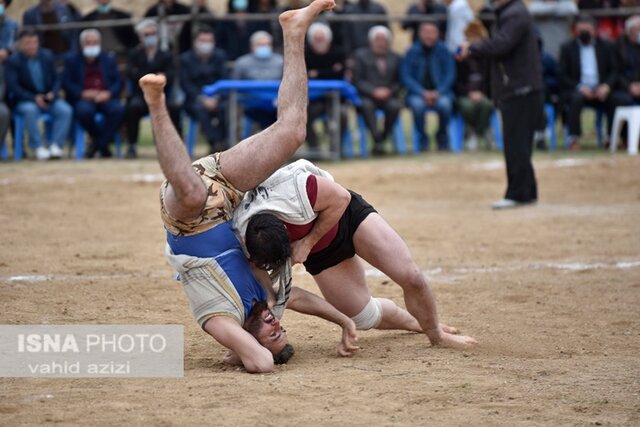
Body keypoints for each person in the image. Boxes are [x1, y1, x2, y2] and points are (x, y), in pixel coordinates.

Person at [141, 0, 340, 374]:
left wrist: (242, 349)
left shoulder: (222, 320)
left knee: (192, 193)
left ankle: (156, 103)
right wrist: (344, 322)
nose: (275, 326)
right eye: (281, 331)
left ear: (249, 342)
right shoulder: (267, 300)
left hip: (186, 219)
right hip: (228, 192)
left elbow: (262, 364)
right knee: (293, 131)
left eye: (271, 335)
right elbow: (298, 298)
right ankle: (293, 31)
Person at [233, 159, 479, 350]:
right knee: (363, 316)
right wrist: (269, 293)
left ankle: (436, 334)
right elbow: (261, 274)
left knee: (410, 275)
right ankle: (417, 323)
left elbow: (341, 198)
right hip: (322, 251)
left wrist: (306, 243)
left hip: (345, 218)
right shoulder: (243, 232)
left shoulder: (297, 191)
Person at [459, 0, 543, 209]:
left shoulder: (514, 13)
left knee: (516, 143)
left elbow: (501, 44)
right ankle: (527, 191)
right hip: (519, 88)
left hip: (520, 89)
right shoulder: (509, 12)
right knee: (519, 143)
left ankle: (517, 193)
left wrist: (472, 47)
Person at [558, 14, 626, 150]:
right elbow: (562, 74)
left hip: (601, 89)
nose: (583, 34)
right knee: (575, 99)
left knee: (617, 99)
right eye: (580, 30)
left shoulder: (606, 46)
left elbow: (614, 70)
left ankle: (611, 138)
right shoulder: (567, 48)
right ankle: (573, 139)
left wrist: (606, 86)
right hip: (579, 89)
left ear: (595, 31)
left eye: (587, 30)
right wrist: (580, 87)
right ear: (575, 31)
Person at [6, 29, 72, 160]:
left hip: (49, 98)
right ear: (20, 44)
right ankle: (37, 147)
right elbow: (13, 86)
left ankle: (56, 146)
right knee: (30, 110)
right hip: (26, 99)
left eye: (34, 42)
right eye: (28, 43)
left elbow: (57, 78)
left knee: (65, 110)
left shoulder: (47, 55)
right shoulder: (14, 61)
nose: (32, 46)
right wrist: (33, 98)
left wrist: (53, 93)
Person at [62, 28, 125, 159]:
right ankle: (102, 144)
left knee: (118, 110)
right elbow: (66, 83)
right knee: (84, 111)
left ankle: (97, 144)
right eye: (88, 43)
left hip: (105, 97)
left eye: (95, 42)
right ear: (82, 45)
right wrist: (82, 93)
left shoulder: (108, 59)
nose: (92, 46)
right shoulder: (72, 60)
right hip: (84, 98)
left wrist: (108, 93)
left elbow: (118, 81)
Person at [125, 19, 182, 159]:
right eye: (147, 34)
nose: (151, 37)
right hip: (141, 95)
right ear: (141, 37)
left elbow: (171, 75)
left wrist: (149, 76)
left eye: (153, 33)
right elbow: (132, 74)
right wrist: (155, 76)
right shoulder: (134, 54)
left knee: (174, 108)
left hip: (162, 95)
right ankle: (132, 145)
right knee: (132, 107)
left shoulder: (166, 55)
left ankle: (175, 146)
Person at [401, 21, 456, 152]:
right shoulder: (412, 52)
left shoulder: (444, 50)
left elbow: (450, 75)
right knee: (418, 106)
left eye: (432, 33)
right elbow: (405, 76)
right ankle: (422, 139)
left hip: (441, 93)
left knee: (445, 105)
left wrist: (438, 91)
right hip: (417, 94)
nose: (429, 36)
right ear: (419, 34)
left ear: (438, 34)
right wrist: (422, 92)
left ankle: (442, 137)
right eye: (426, 33)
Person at [352, 25, 402, 155]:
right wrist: (373, 91)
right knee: (366, 106)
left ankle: (382, 138)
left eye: (383, 40)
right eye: (377, 40)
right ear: (371, 41)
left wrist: (389, 91)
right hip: (367, 96)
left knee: (394, 106)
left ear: (388, 42)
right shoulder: (360, 56)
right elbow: (357, 80)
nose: (380, 43)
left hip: (389, 96)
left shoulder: (396, 57)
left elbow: (400, 81)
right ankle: (377, 138)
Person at [180, 25, 228, 153]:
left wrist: (216, 98)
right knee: (200, 110)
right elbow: (185, 84)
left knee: (226, 109)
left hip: (218, 98)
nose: (206, 44)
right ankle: (215, 142)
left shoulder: (220, 56)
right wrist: (202, 98)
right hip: (194, 99)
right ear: (195, 42)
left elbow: (224, 79)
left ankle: (223, 142)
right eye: (203, 41)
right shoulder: (185, 59)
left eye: (209, 41)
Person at [303, 22, 347, 152]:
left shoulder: (338, 52)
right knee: (302, 117)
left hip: (336, 99)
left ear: (328, 39)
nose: (319, 42)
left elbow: (341, 74)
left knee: (342, 114)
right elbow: (305, 75)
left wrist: (317, 73)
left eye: (322, 39)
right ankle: (314, 147)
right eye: (316, 39)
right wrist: (331, 71)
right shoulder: (306, 53)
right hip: (314, 99)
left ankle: (336, 148)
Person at [233, 31, 283, 132]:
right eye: (260, 45)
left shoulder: (281, 61)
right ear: (252, 46)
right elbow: (235, 85)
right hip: (251, 103)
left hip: (276, 104)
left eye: (266, 44)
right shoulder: (242, 63)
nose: (264, 47)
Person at [454, 21, 493, 151]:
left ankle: (476, 133)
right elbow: (456, 80)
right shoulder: (460, 54)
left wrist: (481, 93)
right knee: (467, 106)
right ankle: (478, 131)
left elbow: (490, 79)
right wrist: (468, 93)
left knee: (487, 105)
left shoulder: (487, 56)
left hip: (483, 94)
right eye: (470, 37)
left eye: (477, 37)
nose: (474, 40)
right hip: (465, 94)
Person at [615, 15, 640, 106]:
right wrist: (629, 86)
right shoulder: (618, 46)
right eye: (638, 29)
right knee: (624, 100)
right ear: (629, 31)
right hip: (623, 87)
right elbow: (616, 71)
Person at [0, 0, 18, 64]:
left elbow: (17, 42)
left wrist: (7, 51)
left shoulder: (12, 24)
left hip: (8, 62)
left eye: (1, 3)